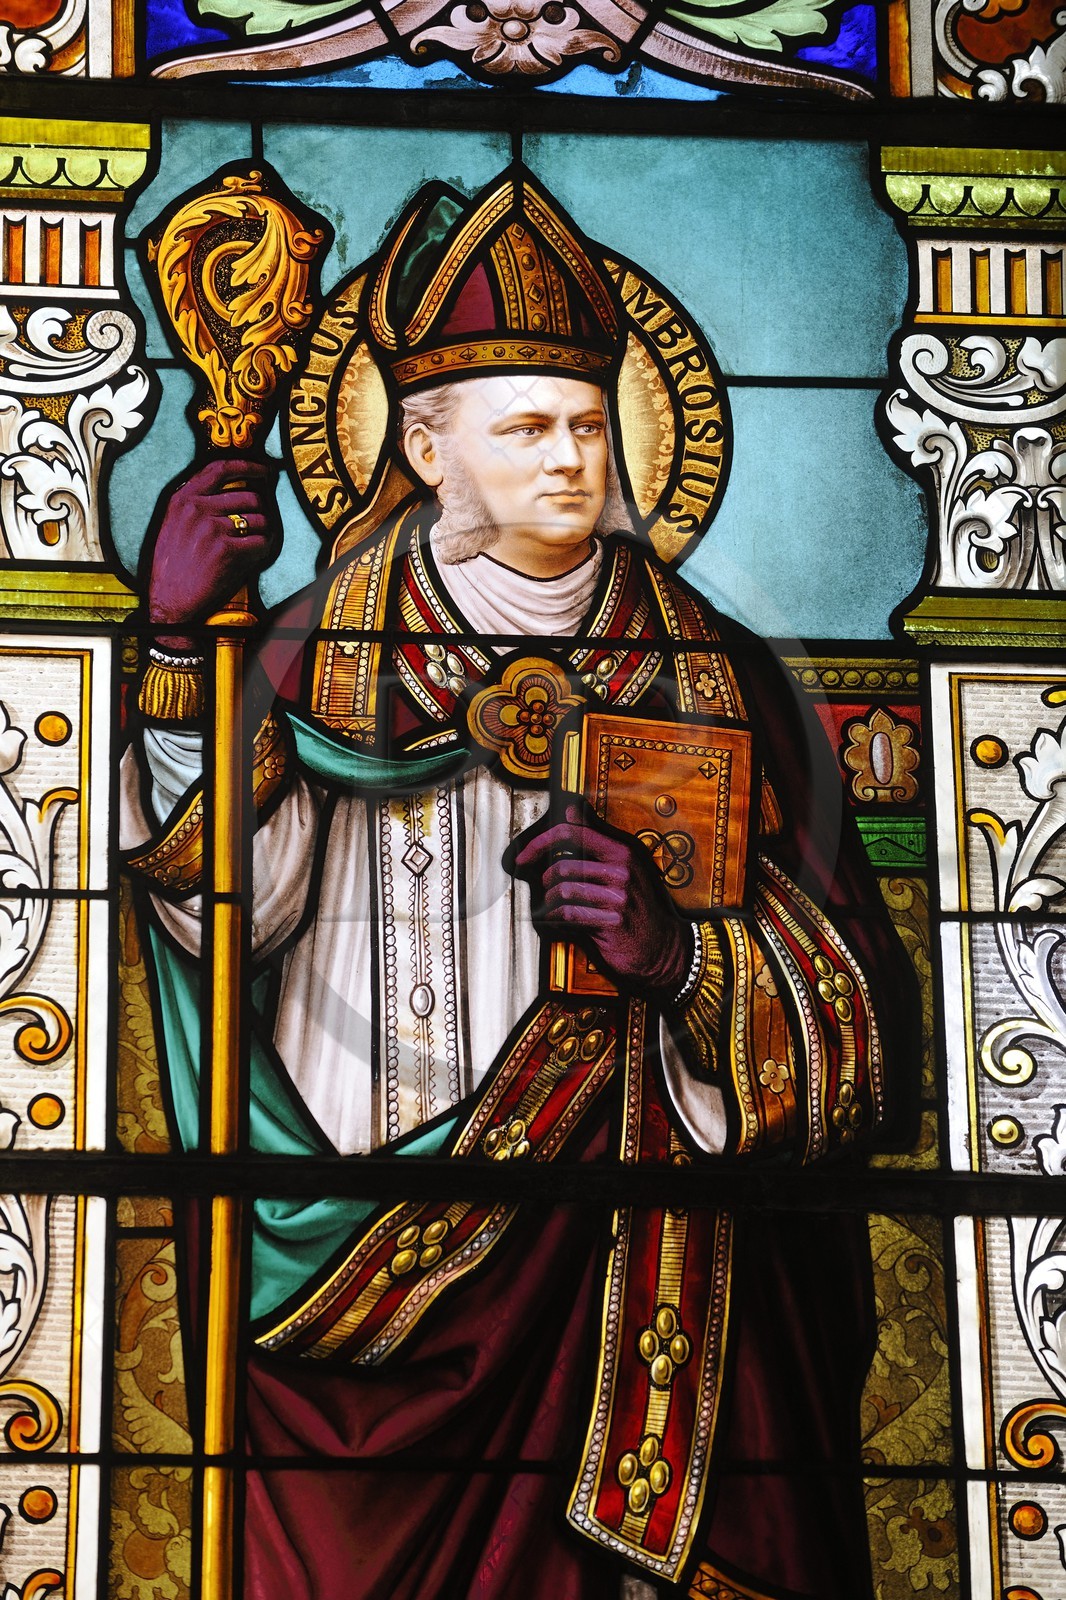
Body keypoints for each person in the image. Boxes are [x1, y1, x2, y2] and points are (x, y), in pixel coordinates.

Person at [122, 170, 917, 1600]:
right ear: (424, 445)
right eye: (528, 425)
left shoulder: (718, 681)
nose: (574, 457)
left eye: (589, 423)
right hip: (359, 1296)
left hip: (640, 1294)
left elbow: (862, 1049)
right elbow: (204, 909)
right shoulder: (313, 660)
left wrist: (684, 962)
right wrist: (183, 650)